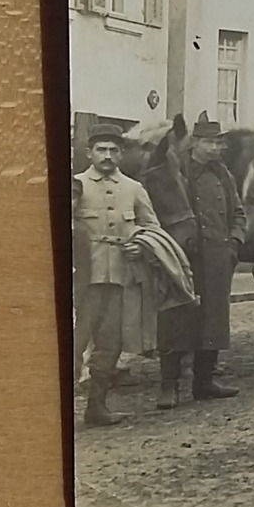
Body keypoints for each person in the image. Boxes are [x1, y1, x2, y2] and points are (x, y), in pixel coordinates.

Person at [147, 116, 245, 409]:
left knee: (213, 319)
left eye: (218, 143)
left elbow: (238, 213)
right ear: (195, 143)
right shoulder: (177, 170)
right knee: (176, 317)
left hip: (217, 258)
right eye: (209, 142)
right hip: (183, 258)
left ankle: (205, 381)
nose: (215, 148)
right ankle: (169, 386)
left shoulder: (224, 174)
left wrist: (234, 243)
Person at [73, 125, 162, 425]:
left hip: (118, 279)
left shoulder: (134, 188)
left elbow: (153, 229)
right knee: (71, 344)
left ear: (121, 154)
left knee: (109, 345)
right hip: (83, 281)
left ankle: (96, 407)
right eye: (101, 150)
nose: (107, 156)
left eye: (113, 150)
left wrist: (141, 246)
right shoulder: (76, 185)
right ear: (89, 153)